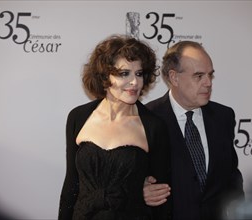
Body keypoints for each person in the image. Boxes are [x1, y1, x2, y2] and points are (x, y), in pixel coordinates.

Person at [58, 34, 172, 220]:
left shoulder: (153, 126)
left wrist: (137, 191)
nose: (135, 82)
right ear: (105, 76)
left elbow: (161, 197)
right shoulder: (78, 117)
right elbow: (71, 185)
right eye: (124, 73)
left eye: (139, 73)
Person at [144, 41, 244, 220]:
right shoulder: (148, 118)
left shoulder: (223, 116)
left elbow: (231, 175)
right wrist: (140, 189)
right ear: (174, 78)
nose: (208, 83)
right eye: (198, 76)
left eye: (210, 75)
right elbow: (133, 176)